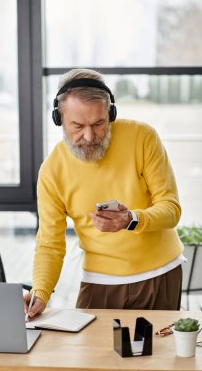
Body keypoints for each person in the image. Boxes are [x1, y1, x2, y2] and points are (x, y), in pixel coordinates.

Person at [24, 68, 185, 318]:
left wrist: (131, 219)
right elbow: (49, 243)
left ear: (110, 113)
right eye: (77, 125)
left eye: (99, 123)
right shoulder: (52, 171)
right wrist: (41, 293)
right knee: (91, 355)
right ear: (59, 119)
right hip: (100, 280)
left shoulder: (142, 137)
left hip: (161, 273)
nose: (89, 136)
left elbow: (171, 209)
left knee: (156, 356)